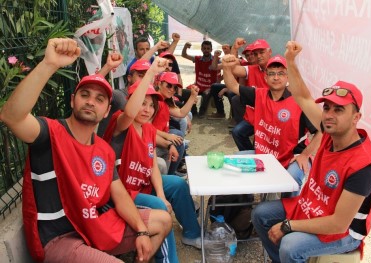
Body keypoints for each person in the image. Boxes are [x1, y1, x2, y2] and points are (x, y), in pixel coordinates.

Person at [0, 38, 171, 262]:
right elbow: (11, 116)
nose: (91, 102)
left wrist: (140, 230)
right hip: (59, 239)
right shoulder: (49, 133)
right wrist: (49, 64)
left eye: (99, 99)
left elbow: (119, 195)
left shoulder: (104, 150)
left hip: (94, 226)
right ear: (72, 101)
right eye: (85, 95)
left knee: (164, 221)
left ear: (107, 109)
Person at [251, 41, 371, 263]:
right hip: (312, 207)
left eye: (339, 109)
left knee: (290, 245)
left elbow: (338, 223)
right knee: (260, 214)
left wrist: (288, 225)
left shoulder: (363, 166)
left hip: (345, 231)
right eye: (327, 107)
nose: (329, 114)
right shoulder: (331, 132)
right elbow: (302, 97)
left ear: (356, 118)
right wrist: (290, 61)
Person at [103, 59, 202, 262]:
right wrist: (150, 74)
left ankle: (192, 233)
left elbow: (152, 165)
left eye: (150, 105)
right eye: (141, 103)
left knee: (178, 185)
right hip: (121, 194)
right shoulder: (121, 123)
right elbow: (129, 112)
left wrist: (161, 193)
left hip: (142, 185)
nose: (146, 109)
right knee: (158, 206)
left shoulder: (148, 128)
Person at [223, 54, 322, 198]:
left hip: (292, 157)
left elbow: (322, 131)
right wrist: (226, 67)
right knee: (236, 162)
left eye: (281, 73)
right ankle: (247, 202)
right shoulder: (258, 94)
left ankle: (288, 212)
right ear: (265, 77)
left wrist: (305, 155)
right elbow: (233, 86)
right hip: (265, 155)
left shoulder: (299, 102)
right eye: (272, 74)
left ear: (288, 77)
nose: (276, 77)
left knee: (292, 179)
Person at [181, 40, 220, 117]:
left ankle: (202, 113)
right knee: (186, 92)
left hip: (210, 87)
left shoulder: (216, 60)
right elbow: (184, 55)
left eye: (208, 48)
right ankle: (194, 111)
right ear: (201, 49)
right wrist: (185, 46)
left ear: (211, 50)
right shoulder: (197, 59)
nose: (206, 50)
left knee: (206, 94)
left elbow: (223, 72)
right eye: (204, 48)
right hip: (198, 85)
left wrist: (212, 87)